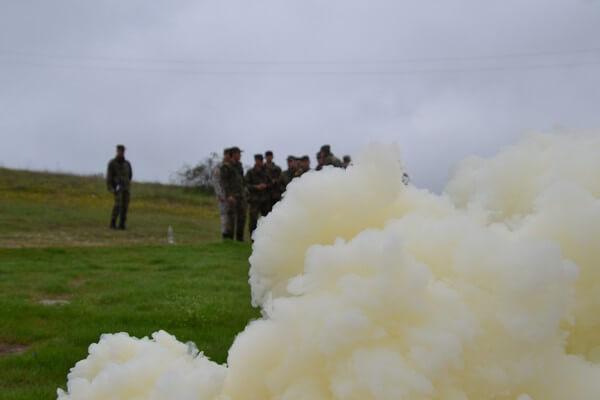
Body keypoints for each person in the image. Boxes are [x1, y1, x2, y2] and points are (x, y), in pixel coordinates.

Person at [220, 147, 246, 241]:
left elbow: (242, 180)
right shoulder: (226, 166)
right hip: (232, 196)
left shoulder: (239, 165)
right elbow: (224, 182)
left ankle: (240, 239)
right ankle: (230, 239)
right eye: (238, 153)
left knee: (242, 217)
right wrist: (228, 195)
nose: (240, 155)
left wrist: (245, 191)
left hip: (241, 196)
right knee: (231, 218)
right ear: (233, 154)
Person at [106, 144, 133, 230]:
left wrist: (127, 183)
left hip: (126, 188)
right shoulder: (112, 163)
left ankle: (122, 224)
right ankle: (113, 223)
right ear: (117, 151)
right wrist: (110, 187)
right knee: (118, 205)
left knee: (125, 206)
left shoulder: (127, 163)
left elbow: (130, 175)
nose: (121, 152)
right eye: (120, 151)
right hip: (118, 188)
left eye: (123, 151)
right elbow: (109, 176)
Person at [245, 154, 271, 237]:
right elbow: (246, 184)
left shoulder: (266, 172)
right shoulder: (250, 172)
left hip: (265, 200)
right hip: (254, 200)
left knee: (265, 220)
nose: (259, 162)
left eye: (260, 160)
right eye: (257, 160)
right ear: (255, 161)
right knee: (253, 220)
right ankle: (252, 237)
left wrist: (266, 186)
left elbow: (271, 184)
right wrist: (256, 187)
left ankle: (265, 236)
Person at [212, 148, 230, 239]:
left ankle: (229, 236)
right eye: (227, 154)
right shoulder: (219, 167)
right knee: (224, 216)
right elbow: (215, 181)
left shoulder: (232, 167)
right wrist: (219, 194)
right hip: (223, 195)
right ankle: (224, 235)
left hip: (231, 195)